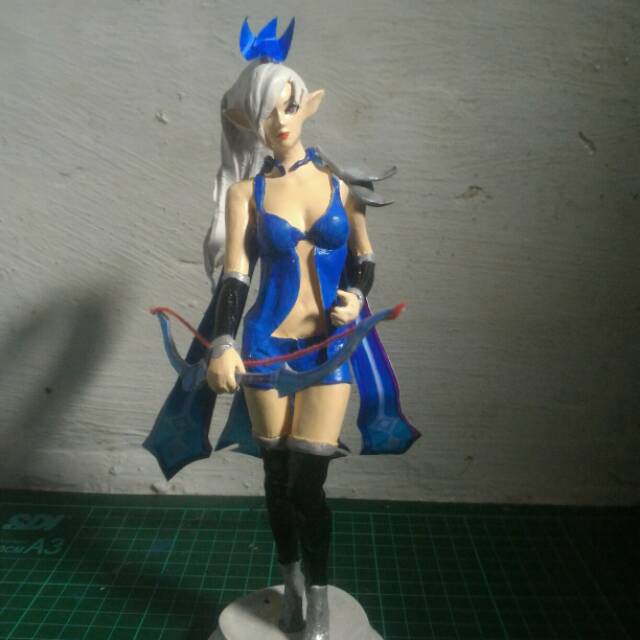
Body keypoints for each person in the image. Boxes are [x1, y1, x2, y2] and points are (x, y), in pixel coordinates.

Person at [204, 19, 378, 640]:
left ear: (306, 105)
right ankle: (294, 588)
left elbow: (363, 257)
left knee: (310, 484)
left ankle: (321, 597)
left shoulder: (342, 187)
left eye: (288, 104)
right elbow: (235, 275)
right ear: (249, 121)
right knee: (277, 481)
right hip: (264, 347)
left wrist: (357, 297)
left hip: (327, 349)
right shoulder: (245, 194)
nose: (279, 120)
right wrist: (223, 341)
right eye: (265, 111)